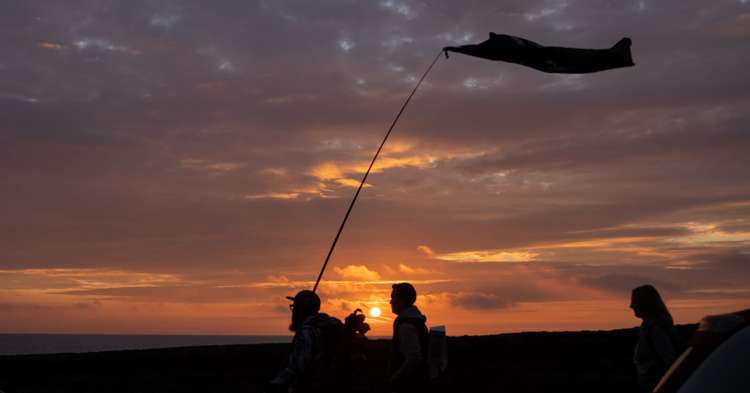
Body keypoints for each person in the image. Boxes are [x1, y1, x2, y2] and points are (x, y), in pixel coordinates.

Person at [268, 290, 345, 393]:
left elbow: (298, 367)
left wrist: (277, 383)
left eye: (294, 307)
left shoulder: (306, 332)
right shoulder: (330, 326)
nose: (293, 311)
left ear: (301, 310)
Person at [631, 284, 678, 392]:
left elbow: (669, 359)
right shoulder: (648, 327)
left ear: (645, 303)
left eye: (634, 301)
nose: (631, 305)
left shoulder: (654, 328)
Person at [389, 282, 429, 393]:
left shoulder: (406, 325)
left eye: (393, 298)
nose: (390, 302)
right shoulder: (416, 321)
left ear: (402, 301)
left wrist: (396, 377)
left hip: (409, 385)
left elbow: (414, 358)